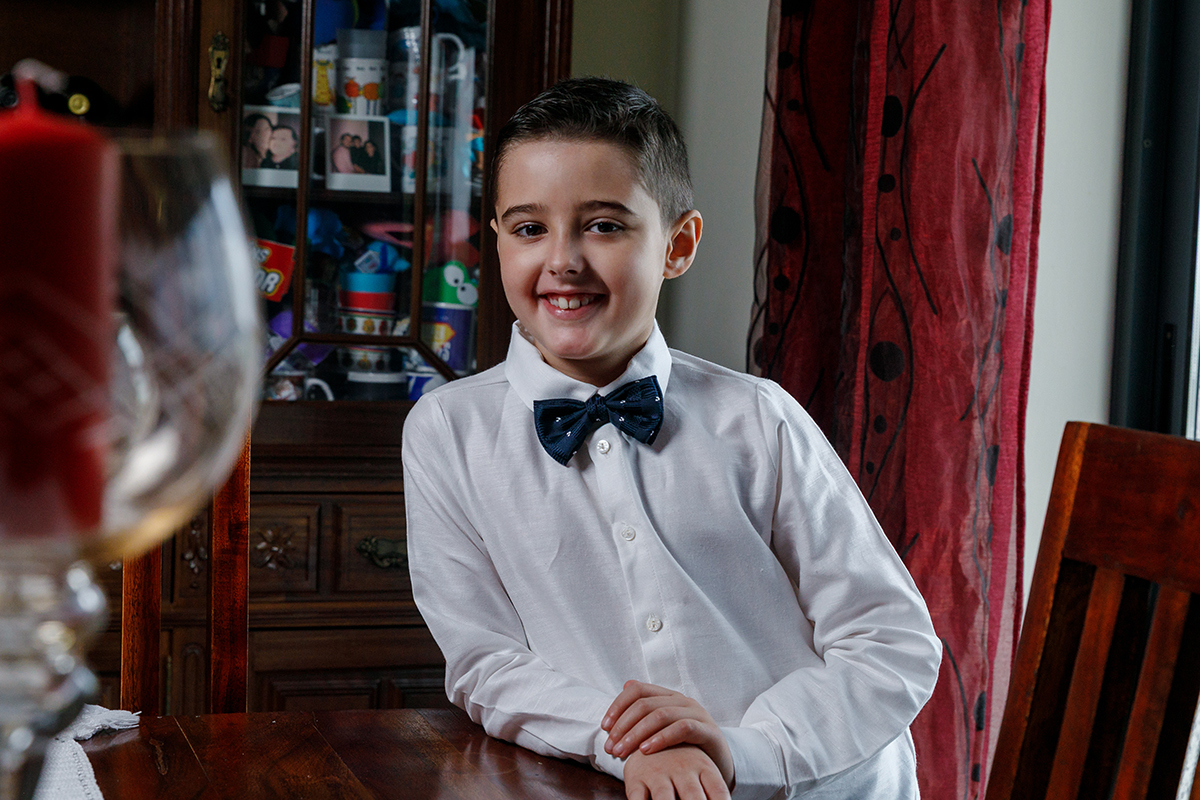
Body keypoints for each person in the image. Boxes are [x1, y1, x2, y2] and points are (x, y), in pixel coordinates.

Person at [402, 77, 941, 800]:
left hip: (821, 786)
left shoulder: (759, 419)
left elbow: (890, 640)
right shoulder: (447, 433)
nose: (562, 260)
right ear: (494, 239)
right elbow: (485, 661)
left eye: (604, 225)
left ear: (677, 245)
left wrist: (740, 750)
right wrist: (629, 745)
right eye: (530, 228)